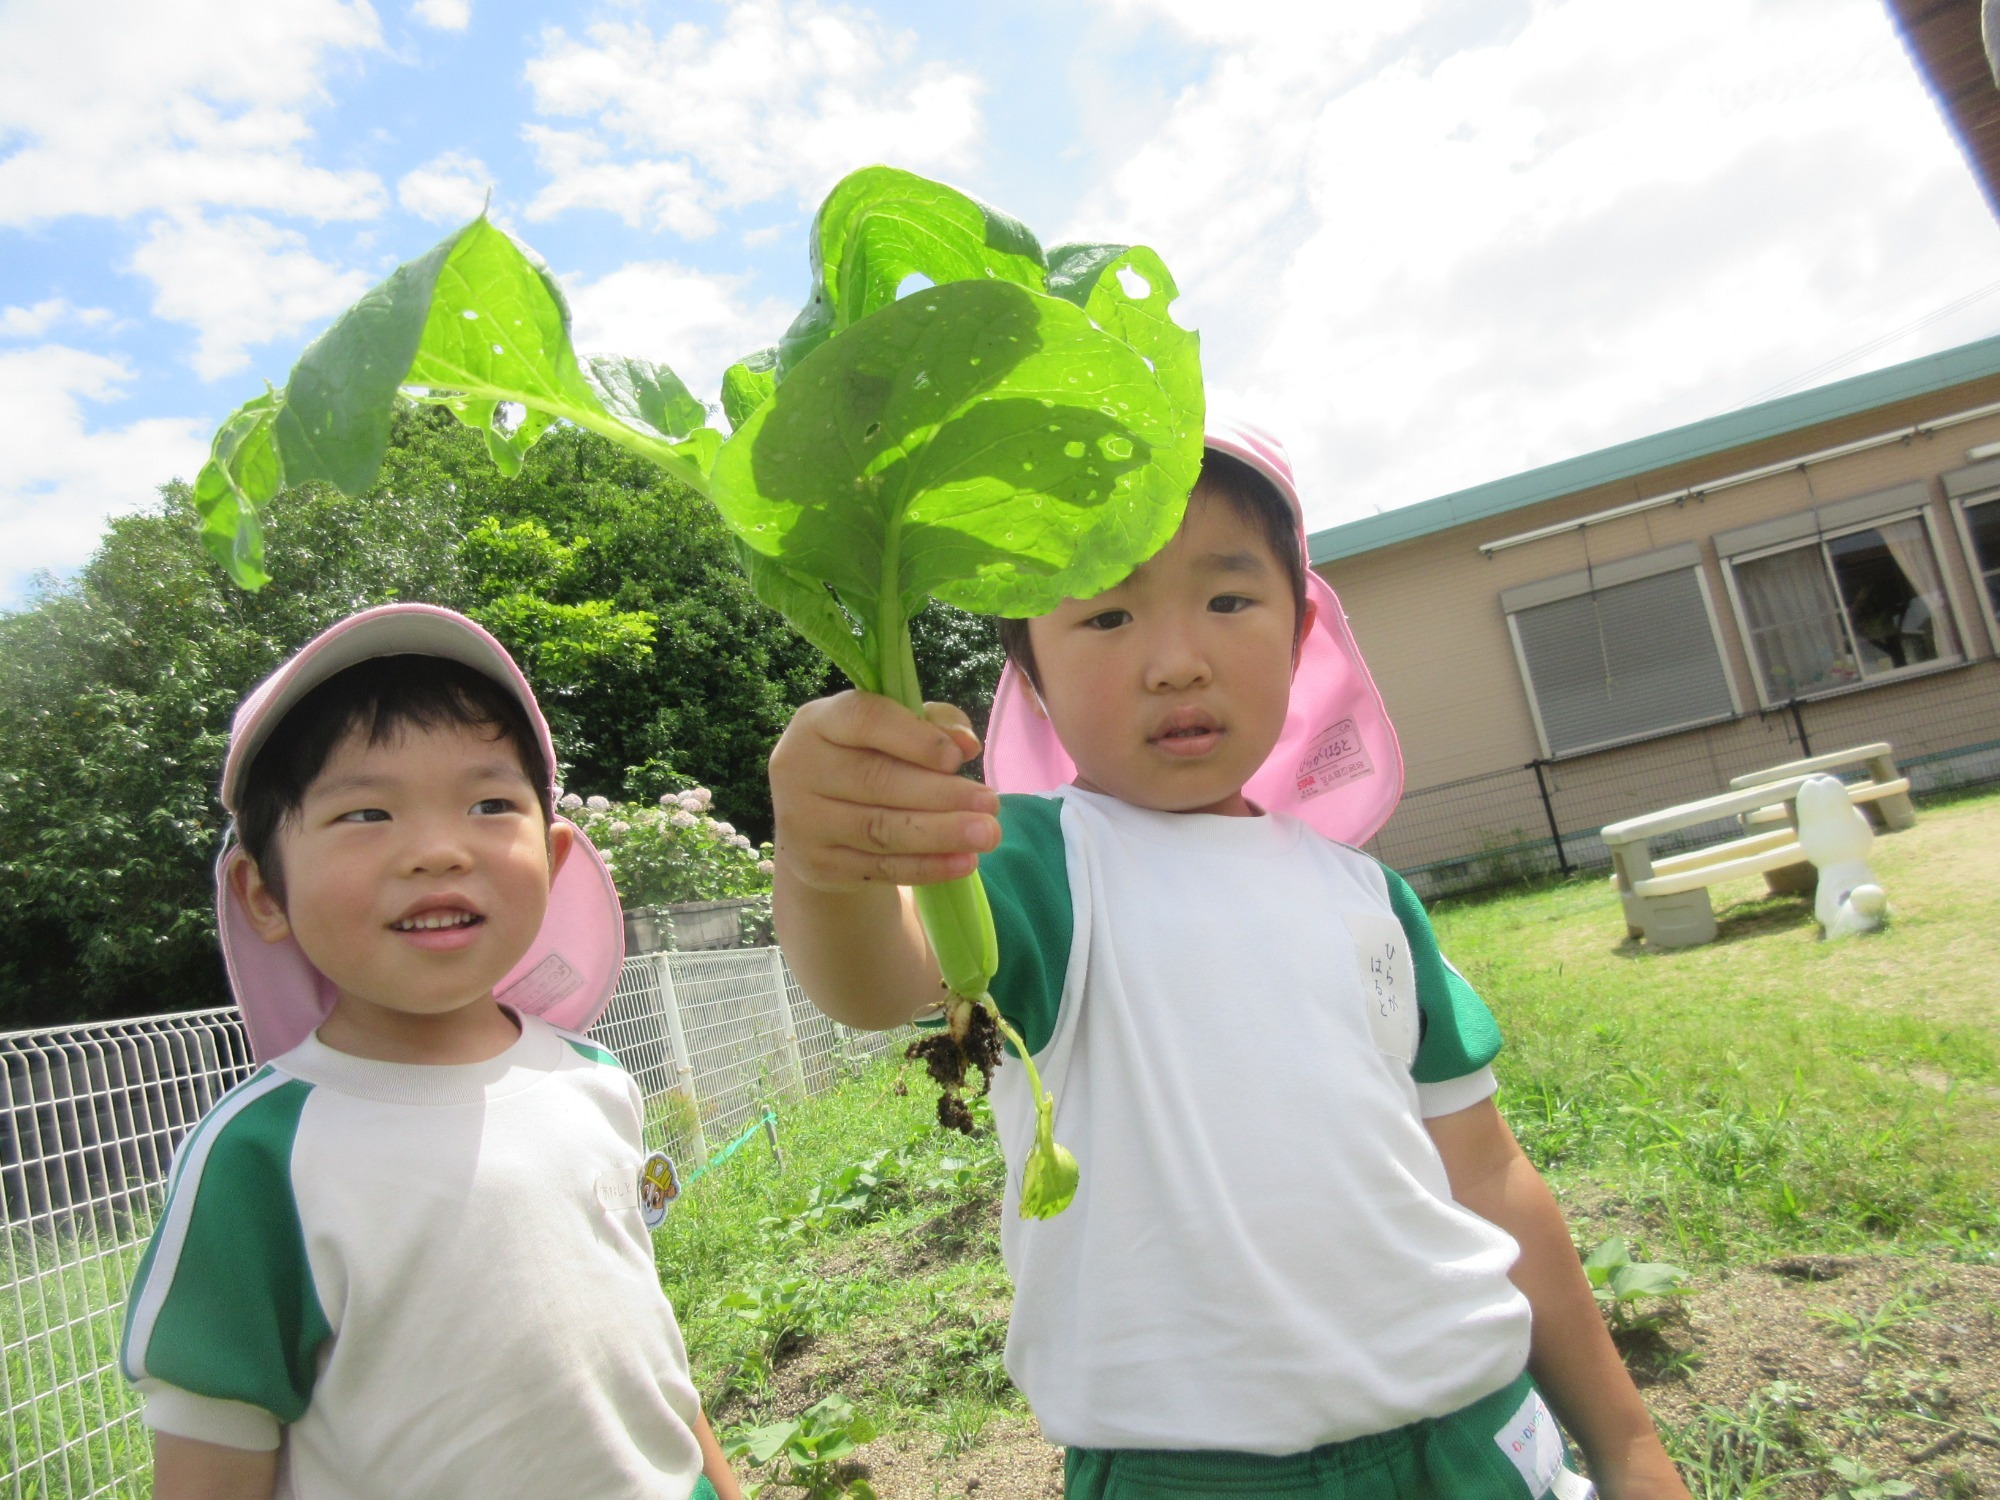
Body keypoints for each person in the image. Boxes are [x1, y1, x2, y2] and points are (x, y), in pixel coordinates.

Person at [767, 421, 1692, 1499]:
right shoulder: (1038, 862)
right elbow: (875, 977)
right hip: (1195, 1475)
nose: (1176, 661)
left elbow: (1486, 1174)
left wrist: (1625, 1445)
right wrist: (829, 860)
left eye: (1227, 600)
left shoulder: (1368, 896)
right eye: (1106, 614)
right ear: (1034, 673)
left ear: (1299, 633)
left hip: (1480, 1431)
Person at [120, 603, 741, 1500]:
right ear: (262, 892)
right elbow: (212, 1456)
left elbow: (647, 1356)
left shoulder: (594, 1080)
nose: (439, 851)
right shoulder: (260, 1155)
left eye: (490, 804)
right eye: (366, 812)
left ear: (558, 855)